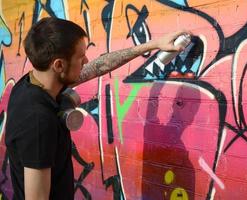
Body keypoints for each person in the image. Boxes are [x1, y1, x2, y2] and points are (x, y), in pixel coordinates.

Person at [4, 17, 189, 200]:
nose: (86, 60)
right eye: (80, 56)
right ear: (59, 65)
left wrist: (154, 44)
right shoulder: (38, 122)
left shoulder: (32, 82)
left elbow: (100, 66)